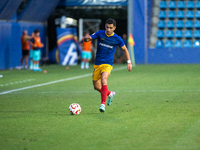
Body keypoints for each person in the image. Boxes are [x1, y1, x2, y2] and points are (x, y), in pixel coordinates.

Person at [84, 18, 132, 112]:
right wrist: (86, 39)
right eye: (107, 27)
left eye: (110, 28)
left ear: (114, 28)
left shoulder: (117, 38)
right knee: (96, 86)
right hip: (97, 63)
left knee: (103, 80)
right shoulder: (100, 33)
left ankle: (102, 105)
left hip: (107, 64)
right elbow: (90, 38)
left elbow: (125, 49)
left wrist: (129, 62)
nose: (108, 29)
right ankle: (110, 94)